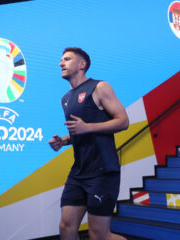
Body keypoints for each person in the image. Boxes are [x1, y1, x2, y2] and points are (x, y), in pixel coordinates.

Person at [49, 47, 128, 240]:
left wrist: (88, 128)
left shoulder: (99, 87)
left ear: (82, 64)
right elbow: (79, 130)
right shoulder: (65, 99)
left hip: (103, 172)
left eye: (67, 59)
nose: (61, 63)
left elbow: (123, 121)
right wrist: (64, 140)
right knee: (66, 227)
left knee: (99, 235)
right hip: (79, 172)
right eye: (61, 60)